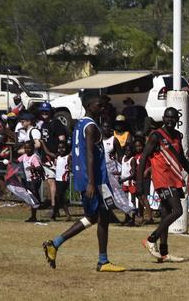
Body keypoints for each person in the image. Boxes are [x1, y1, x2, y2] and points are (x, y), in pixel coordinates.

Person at [43, 93, 126, 272]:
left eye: (104, 106)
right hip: (95, 179)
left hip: (86, 177)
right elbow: (89, 155)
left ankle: (55, 244)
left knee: (94, 217)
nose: (102, 109)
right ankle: (102, 261)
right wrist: (91, 182)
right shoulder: (91, 127)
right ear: (89, 106)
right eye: (99, 105)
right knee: (102, 217)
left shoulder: (79, 124)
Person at [138, 108, 189, 262]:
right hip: (162, 178)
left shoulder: (178, 136)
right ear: (164, 118)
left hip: (174, 178)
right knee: (177, 210)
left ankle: (164, 253)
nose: (170, 120)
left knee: (166, 213)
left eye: (173, 118)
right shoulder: (156, 136)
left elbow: (182, 159)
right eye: (168, 118)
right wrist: (139, 182)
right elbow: (144, 157)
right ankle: (151, 239)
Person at [41, 140, 72, 221]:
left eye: (63, 148)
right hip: (58, 179)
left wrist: (70, 168)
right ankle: (58, 214)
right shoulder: (57, 157)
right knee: (59, 198)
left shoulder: (68, 157)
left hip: (64, 180)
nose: (61, 150)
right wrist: (42, 143)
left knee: (58, 197)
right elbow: (47, 152)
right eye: (59, 148)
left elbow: (70, 167)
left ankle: (56, 215)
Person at [18, 140, 43, 222]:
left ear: (33, 148)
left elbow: (39, 168)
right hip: (28, 179)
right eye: (25, 148)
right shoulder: (24, 156)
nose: (27, 150)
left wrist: (33, 168)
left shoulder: (34, 157)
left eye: (29, 148)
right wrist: (10, 162)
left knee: (33, 195)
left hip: (35, 179)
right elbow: (17, 160)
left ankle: (34, 214)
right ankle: (34, 214)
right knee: (31, 195)